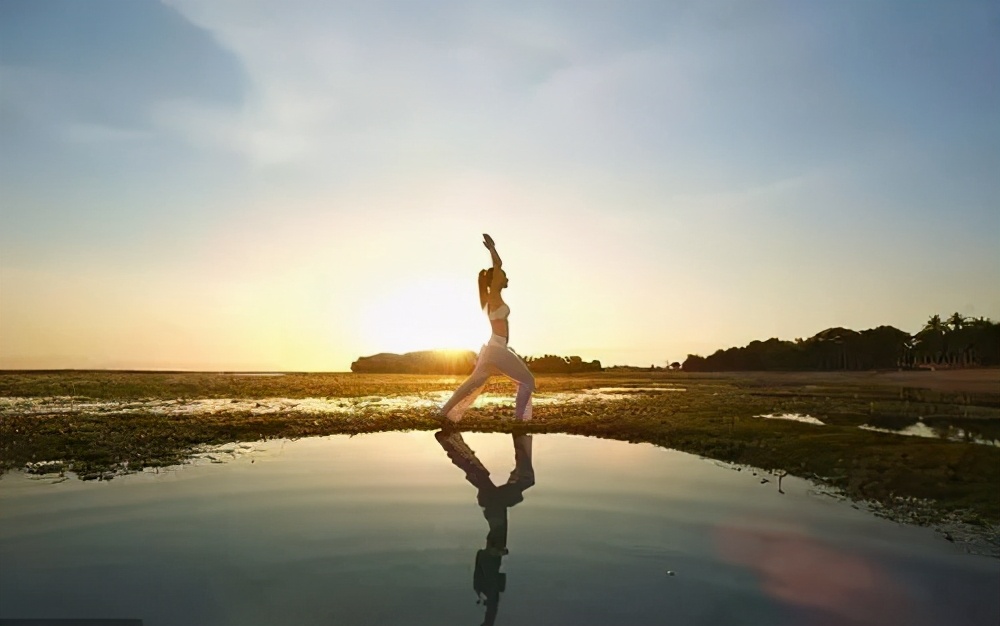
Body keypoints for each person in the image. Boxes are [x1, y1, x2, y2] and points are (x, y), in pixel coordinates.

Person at [435, 430, 535, 626]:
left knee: (514, 479)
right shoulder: (484, 583)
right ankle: (452, 443)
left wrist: (489, 619)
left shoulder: (487, 582)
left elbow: (492, 601)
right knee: (489, 478)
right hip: (492, 514)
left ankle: (452, 444)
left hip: (493, 515)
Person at [438, 234, 535, 424]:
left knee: (470, 384)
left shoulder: (491, 298)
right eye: (504, 276)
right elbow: (498, 265)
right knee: (528, 382)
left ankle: (442, 414)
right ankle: (519, 421)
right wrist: (492, 249)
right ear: (495, 281)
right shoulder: (494, 296)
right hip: (496, 349)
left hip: (491, 349)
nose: (507, 277)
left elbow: (498, 270)